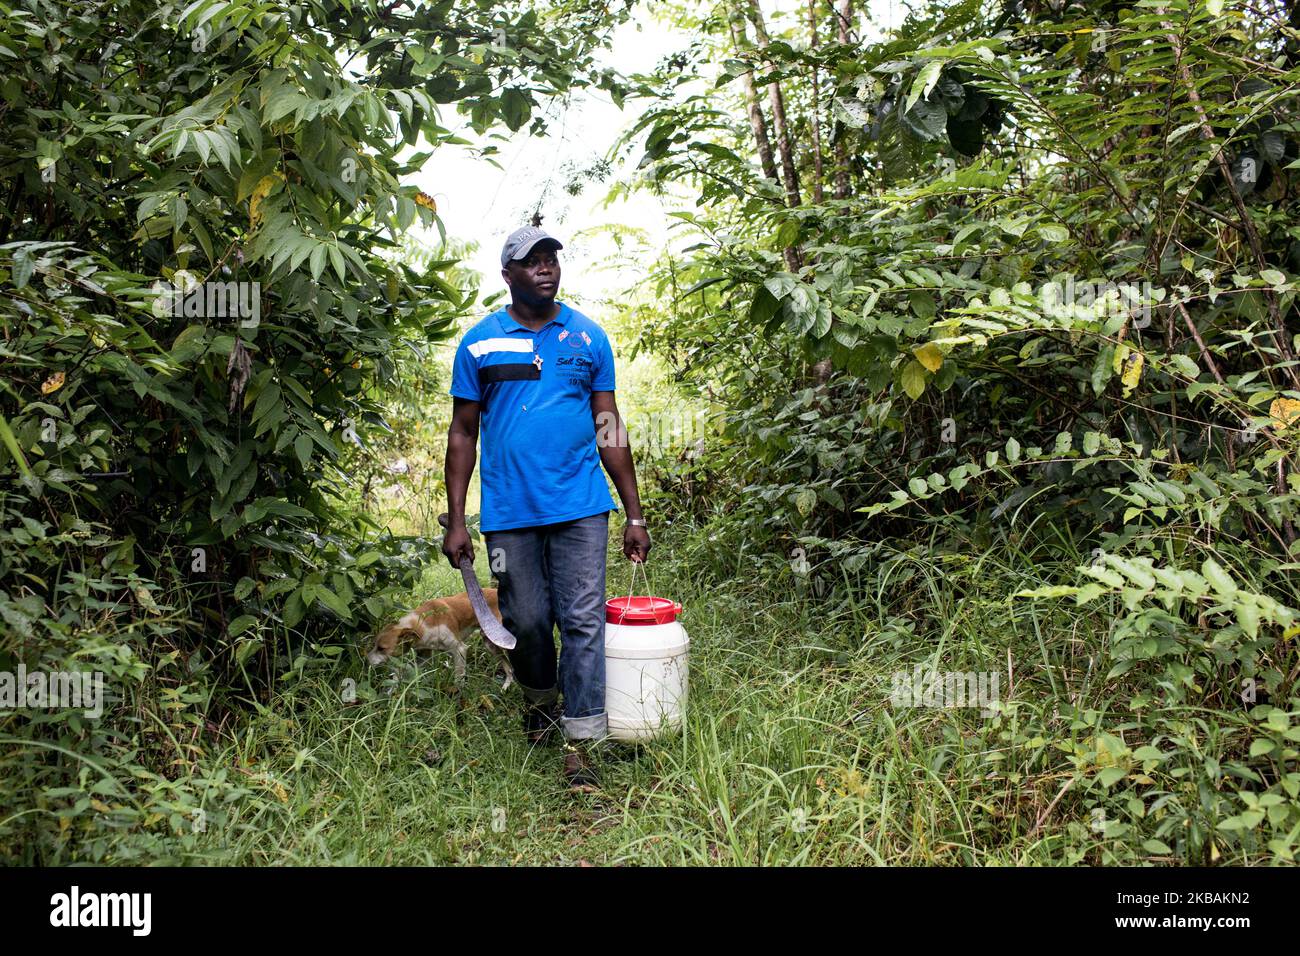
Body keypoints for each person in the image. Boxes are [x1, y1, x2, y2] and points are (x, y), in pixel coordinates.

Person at [442, 225, 650, 792]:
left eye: (550, 259)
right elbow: (463, 432)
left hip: (582, 506)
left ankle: (583, 746)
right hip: (510, 514)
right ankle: (539, 706)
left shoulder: (586, 338)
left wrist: (633, 512)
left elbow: (608, 423)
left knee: (582, 621)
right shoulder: (480, 344)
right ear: (506, 274)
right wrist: (457, 519)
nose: (544, 268)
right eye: (530, 261)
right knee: (528, 622)